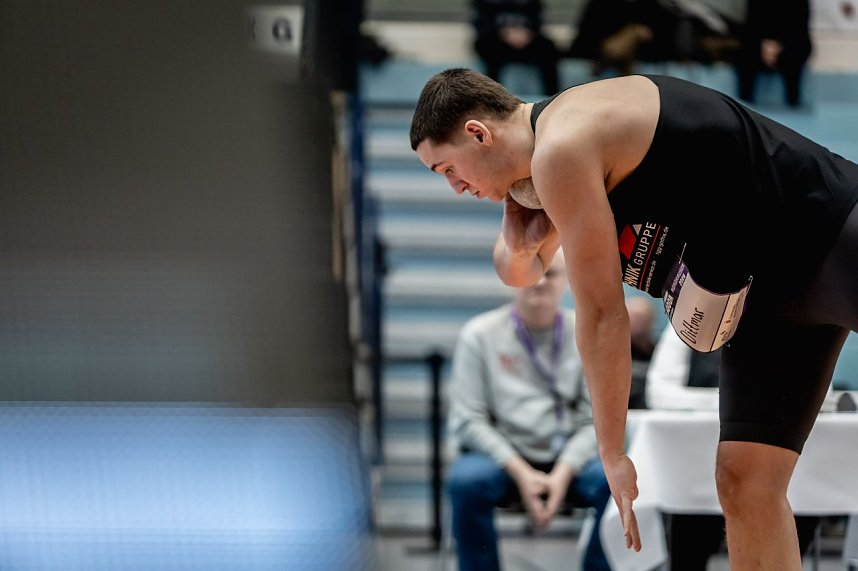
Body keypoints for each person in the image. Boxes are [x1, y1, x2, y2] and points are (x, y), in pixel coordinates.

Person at [409, 67, 858, 569]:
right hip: (765, 297)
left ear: (478, 133)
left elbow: (603, 315)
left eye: (447, 169)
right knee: (744, 482)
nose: (456, 187)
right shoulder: (542, 169)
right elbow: (516, 272)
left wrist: (612, 452)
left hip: (827, 229)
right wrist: (520, 236)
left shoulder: (564, 144)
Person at [446, 251, 612, 571]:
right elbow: (468, 420)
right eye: (531, 274)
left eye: (551, 273)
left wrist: (562, 473)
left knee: (615, 480)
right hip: (502, 459)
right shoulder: (478, 335)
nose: (540, 282)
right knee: (466, 481)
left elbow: (596, 421)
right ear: (512, 280)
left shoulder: (586, 333)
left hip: (567, 459)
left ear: (567, 281)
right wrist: (522, 474)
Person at [646, 324, 822, 569]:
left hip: (781, 463)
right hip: (695, 465)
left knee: (794, 506)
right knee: (691, 528)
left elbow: (819, 391)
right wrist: (733, 402)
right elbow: (659, 393)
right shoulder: (693, 317)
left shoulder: (794, 319)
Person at [470, 0, 561, 95]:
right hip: (498, 44)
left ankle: (554, 97)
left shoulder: (533, 3)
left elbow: (537, 24)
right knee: (487, 46)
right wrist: (505, 34)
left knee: (548, 47)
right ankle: (493, 96)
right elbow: (481, 26)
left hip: (527, 42)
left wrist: (527, 34)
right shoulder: (484, 3)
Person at [734, 0, 812, 108]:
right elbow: (752, 21)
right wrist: (765, 44)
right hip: (760, 42)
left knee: (797, 50)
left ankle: (793, 100)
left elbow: (800, 25)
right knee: (746, 51)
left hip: (789, 42)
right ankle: (744, 101)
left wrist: (779, 46)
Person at [625, 296, 657, 409]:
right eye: (635, 317)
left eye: (642, 318)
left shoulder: (659, 351)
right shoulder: (616, 354)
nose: (639, 323)